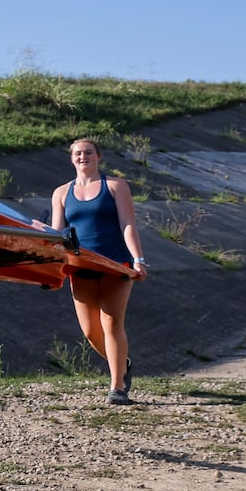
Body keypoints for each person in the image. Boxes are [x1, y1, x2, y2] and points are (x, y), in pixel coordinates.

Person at [48, 138, 148, 405]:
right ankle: (122, 363)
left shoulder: (115, 186)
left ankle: (117, 386)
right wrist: (49, 262)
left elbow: (128, 225)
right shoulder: (60, 193)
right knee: (91, 331)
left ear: (99, 157)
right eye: (78, 153)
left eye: (88, 153)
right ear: (72, 159)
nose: (83, 157)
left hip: (116, 263)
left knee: (111, 321)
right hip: (81, 266)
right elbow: (58, 235)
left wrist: (138, 259)